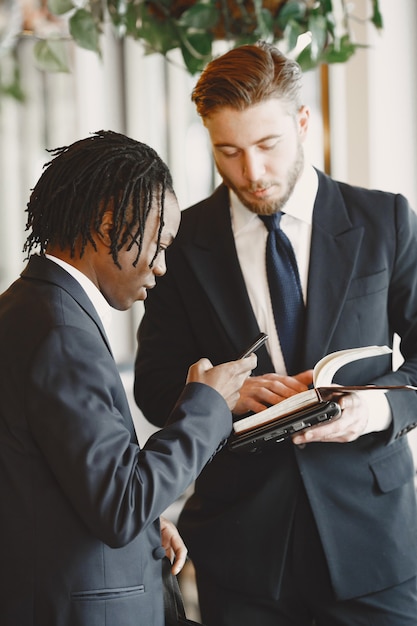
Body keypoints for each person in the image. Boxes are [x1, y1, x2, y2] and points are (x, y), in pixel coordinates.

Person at [134, 43, 417, 625]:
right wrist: (220, 399)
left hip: (372, 542)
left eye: (267, 145)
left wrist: (377, 411)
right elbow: (153, 383)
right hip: (241, 551)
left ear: (303, 123)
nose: (252, 173)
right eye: (228, 152)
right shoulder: (181, 246)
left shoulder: (384, 219)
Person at [0, 130, 256, 626]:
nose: (161, 267)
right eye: (158, 245)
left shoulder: (28, 307)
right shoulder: (60, 332)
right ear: (107, 224)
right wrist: (208, 405)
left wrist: (148, 524)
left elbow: (51, 475)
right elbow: (120, 504)